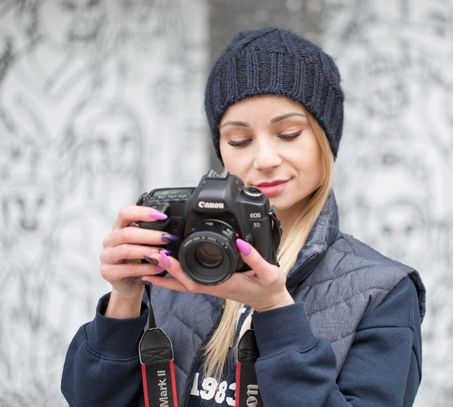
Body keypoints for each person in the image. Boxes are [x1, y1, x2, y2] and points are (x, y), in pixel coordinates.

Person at [61, 26, 426, 407]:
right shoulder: (180, 263)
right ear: (221, 148)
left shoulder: (382, 291)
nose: (265, 159)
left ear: (325, 140)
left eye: (288, 133)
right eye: (239, 140)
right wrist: (124, 298)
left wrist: (275, 310)